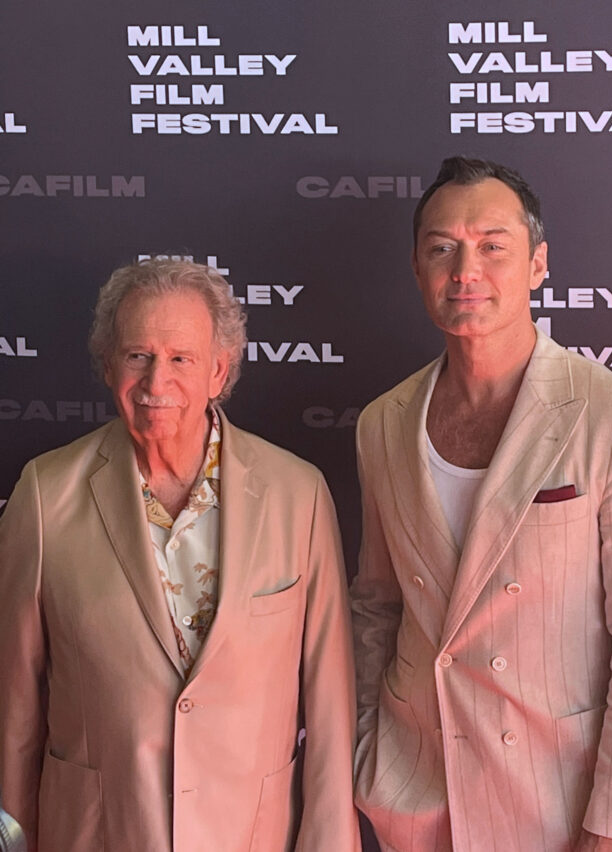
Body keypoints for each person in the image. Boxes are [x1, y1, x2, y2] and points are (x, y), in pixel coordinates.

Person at [350, 156, 612, 851]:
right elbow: (377, 604)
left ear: (538, 264)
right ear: (417, 268)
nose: (465, 269)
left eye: (492, 246)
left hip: (555, 801)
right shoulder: (382, 422)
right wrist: (367, 752)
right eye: (442, 248)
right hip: (417, 794)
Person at [0, 259, 360, 852]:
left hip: (250, 836)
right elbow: (13, 705)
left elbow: (330, 709)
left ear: (219, 370)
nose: (155, 383)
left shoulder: (299, 495)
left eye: (180, 359)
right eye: (137, 356)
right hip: (96, 833)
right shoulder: (44, 494)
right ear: (109, 364)